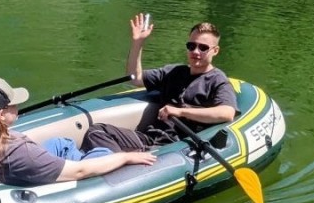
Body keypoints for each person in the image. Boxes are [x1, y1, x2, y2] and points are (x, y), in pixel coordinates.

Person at [0, 77, 155, 186]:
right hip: (36, 175)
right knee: (104, 152)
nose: (17, 107)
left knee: (61, 143)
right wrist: (125, 157)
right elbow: (80, 171)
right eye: (14, 104)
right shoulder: (22, 153)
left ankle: (77, 156)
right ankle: (101, 156)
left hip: (23, 168)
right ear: (1, 114)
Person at [80, 14, 238, 152]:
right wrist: (138, 43)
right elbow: (135, 78)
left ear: (215, 50)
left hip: (176, 147)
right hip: (149, 139)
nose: (195, 52)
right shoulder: (174, 72)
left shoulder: (217, 80)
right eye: (191, 46)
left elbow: (227, 113)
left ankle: (124, 162)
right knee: (96, 132)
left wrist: (180, 112)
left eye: (203, 48)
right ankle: (123, 161)